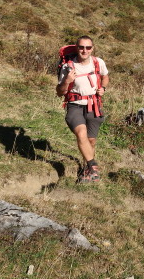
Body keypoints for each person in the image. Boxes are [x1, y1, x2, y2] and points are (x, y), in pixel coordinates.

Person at [56, 35, 109, 183]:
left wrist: (103, 88)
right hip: (75, 105)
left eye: (88, 47)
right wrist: (67, 80)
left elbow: (105, 77)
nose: (84, 50)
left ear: (92, 48)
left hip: (94, 105)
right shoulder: (68, 66)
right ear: (76, 47)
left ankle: (87, 171)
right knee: (81, 134)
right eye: (81, 47)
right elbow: (60, 92)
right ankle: (93, 166)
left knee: (91, 141)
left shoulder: (98, 63)